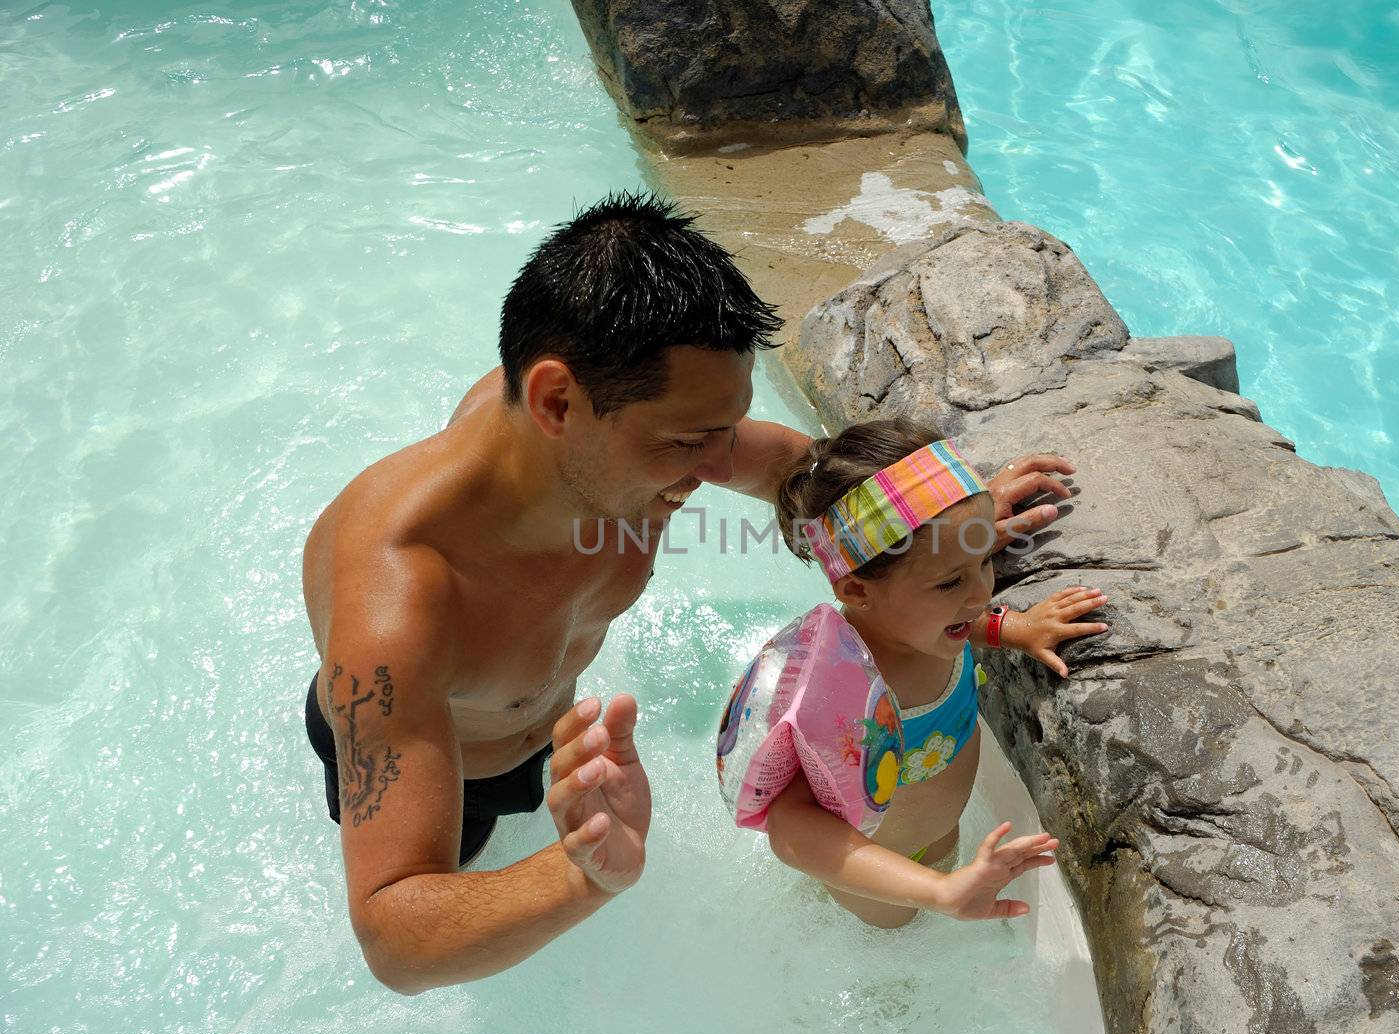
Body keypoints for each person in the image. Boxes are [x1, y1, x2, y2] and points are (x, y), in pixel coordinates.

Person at [299, 193, 1074, 992]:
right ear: (556, 401)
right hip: (456, 758)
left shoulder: (611, 449)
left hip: (550, 730)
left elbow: (802, 474)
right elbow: (396, 937)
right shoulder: (399, 606)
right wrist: (582, 876)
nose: (717, 467)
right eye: (686, 440)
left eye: (726, 429)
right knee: (467, 850)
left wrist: (951, 511)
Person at [762, 418, 1109, 928]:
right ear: (858, 592)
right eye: (951, 582)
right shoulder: (842, 687)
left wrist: (1017, 629)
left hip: (938, 836)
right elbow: (789, 826)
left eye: (982, 563)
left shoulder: (915, 620)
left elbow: (955, 621)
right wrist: (938, 891)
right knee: (894, 961)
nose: (980, 595)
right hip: (880, 880)